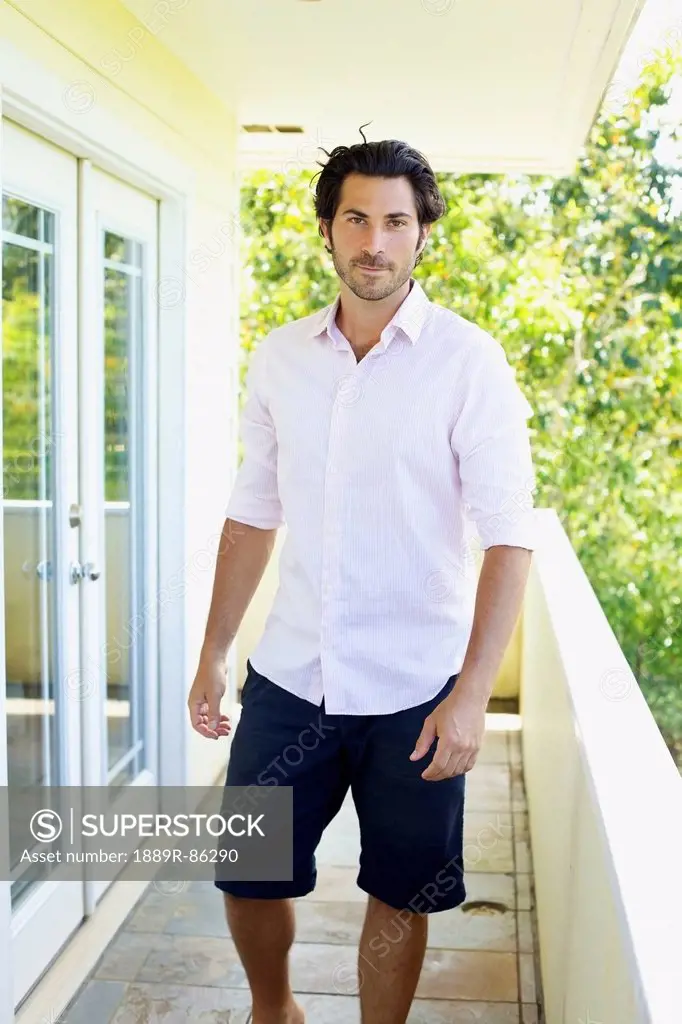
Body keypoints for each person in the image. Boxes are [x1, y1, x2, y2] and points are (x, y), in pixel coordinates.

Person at [187, 131, 538, 1024]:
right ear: (327, 230)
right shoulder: (281, 359)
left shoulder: (469, 363)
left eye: (394, 220)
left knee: (401, 892)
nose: (373, 241)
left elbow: (508, 537)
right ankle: (277, 1010)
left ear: (423, 235)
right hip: (293, 676)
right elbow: (251, 515)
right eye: (355, 219)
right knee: (246, 868)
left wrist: (469, 696)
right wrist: (214, 652)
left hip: (415, 694)